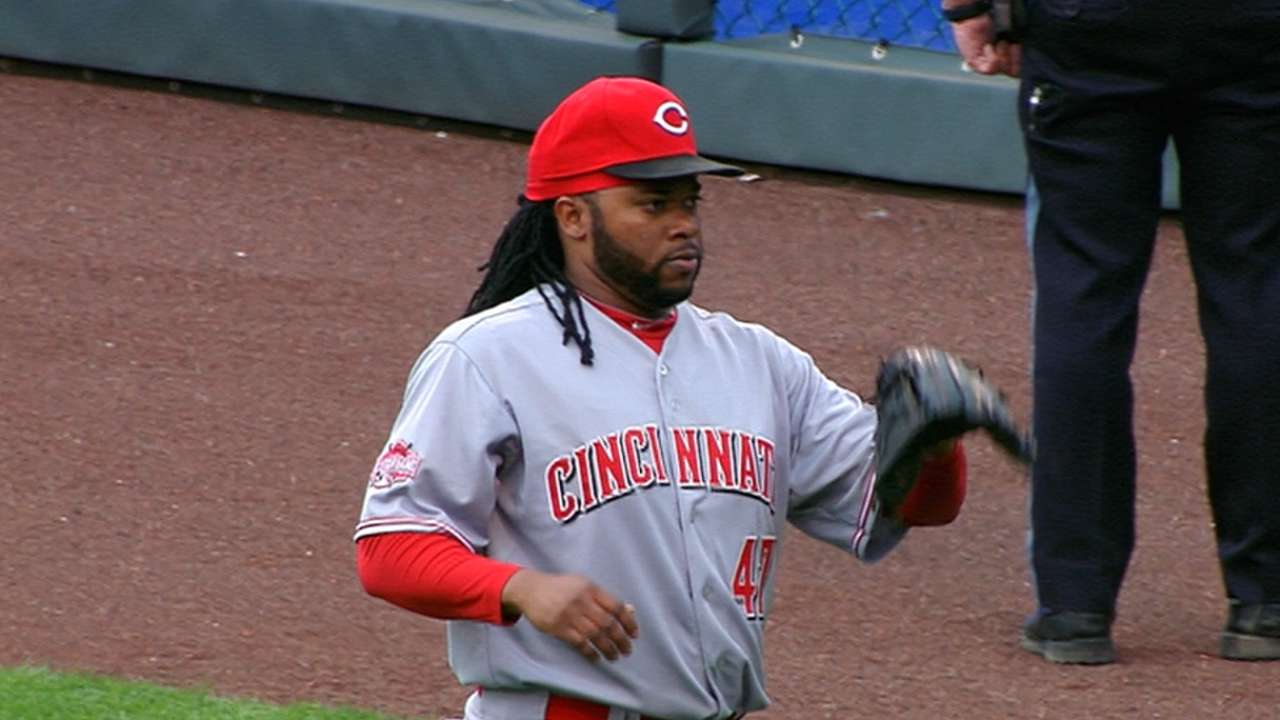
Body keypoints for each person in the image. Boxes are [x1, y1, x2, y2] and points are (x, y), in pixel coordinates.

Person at [352, 75, 974, 720]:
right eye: (653, 205)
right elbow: (390, 548)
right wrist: (522, 589)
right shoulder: (488, 356)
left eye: (689, 202)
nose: (683, 226)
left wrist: (936, 447)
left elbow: (903, 505)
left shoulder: (759, 360)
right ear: (573, 216)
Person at [944, 0, 1280, 663]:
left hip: (1091, 26)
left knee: (1083, 293)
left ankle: (1075, 604)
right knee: (1256, 287)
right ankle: (1265, 597)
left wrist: (972, 8)